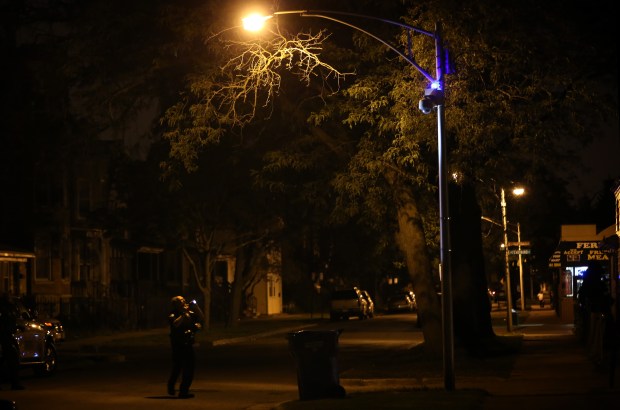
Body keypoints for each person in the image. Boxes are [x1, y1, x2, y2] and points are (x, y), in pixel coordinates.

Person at [167, 296, 204, 399]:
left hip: (188, 344)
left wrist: (196, 307)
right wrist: (183, 314)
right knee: (177, 367)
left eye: (184, 300)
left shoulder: (190, 313)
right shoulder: (174, 314)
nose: (184, 301)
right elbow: (175, 324)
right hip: (178, 345)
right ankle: (171, 385)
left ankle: (184, 391)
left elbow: (201, 317)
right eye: (181, 301)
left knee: (190, 368)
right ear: (175, 304)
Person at [0, 295, 24, 390]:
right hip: (4, 337)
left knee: (11, 359)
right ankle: (15, 383)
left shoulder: (9, 310)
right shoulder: (4, 311)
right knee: (12, 359)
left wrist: (17, 327)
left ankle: (15, 383)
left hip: (7, 336)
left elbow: (11, 323)